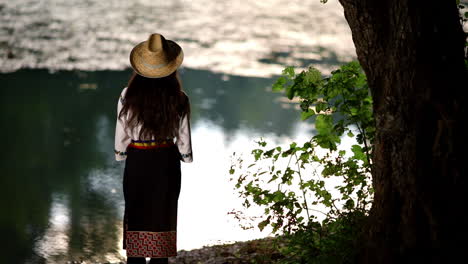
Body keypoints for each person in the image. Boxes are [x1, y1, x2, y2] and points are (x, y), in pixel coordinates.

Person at [114, 33, 193, 264]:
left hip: (138, 158)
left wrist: (120, 152)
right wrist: (186, 156)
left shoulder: (128, 95)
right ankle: (159, 259)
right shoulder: (178, 97)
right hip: (166, 160)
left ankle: (137, 259)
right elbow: (183, 135)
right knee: (162, 212)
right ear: (170, 68)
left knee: (137, 209)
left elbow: (122, 132)